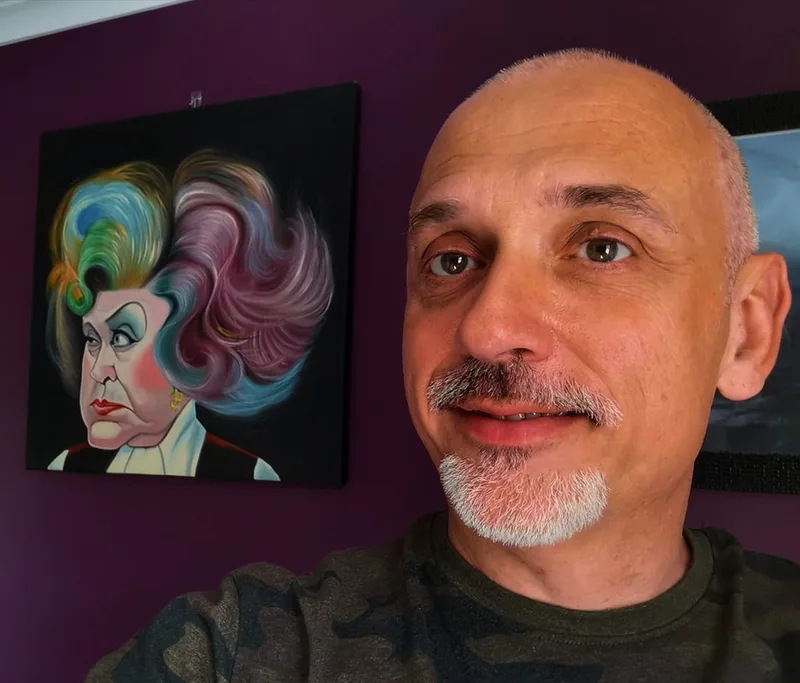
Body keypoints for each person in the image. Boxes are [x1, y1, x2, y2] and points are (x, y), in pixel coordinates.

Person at [85, 49, 800, 682]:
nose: (486, 329)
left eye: (602, 248)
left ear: (746, 331)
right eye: (451, 260)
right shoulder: (238, 654)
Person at [46, 151, 333, 481]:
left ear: (190, 351)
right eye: (93, 339)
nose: (99, 370)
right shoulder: (63, 468)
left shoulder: (250, 476)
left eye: (122, 337)